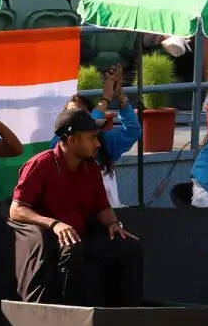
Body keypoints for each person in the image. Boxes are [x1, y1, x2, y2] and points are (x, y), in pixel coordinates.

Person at [9, 108, 142, 307]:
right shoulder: (40, 164)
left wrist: (113, 223)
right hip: (49, 240)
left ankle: (127, 314)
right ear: (71, 140)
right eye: (92, 138)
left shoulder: (92, 169)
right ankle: (71, 317)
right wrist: (54, 225)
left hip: (81, 236)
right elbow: (16, 209)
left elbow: (102, 207)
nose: (98, 143)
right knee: (73, 249)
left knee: (131, 247)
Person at [56, 65, 141, 207]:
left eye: (81, 112)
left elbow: (133, 132)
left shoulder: (104, 140)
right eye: (71, 113)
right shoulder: (60, 141)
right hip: (78, 218)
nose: (97, 145)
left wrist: (119, 94)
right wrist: (106, 98)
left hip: (113, 215)